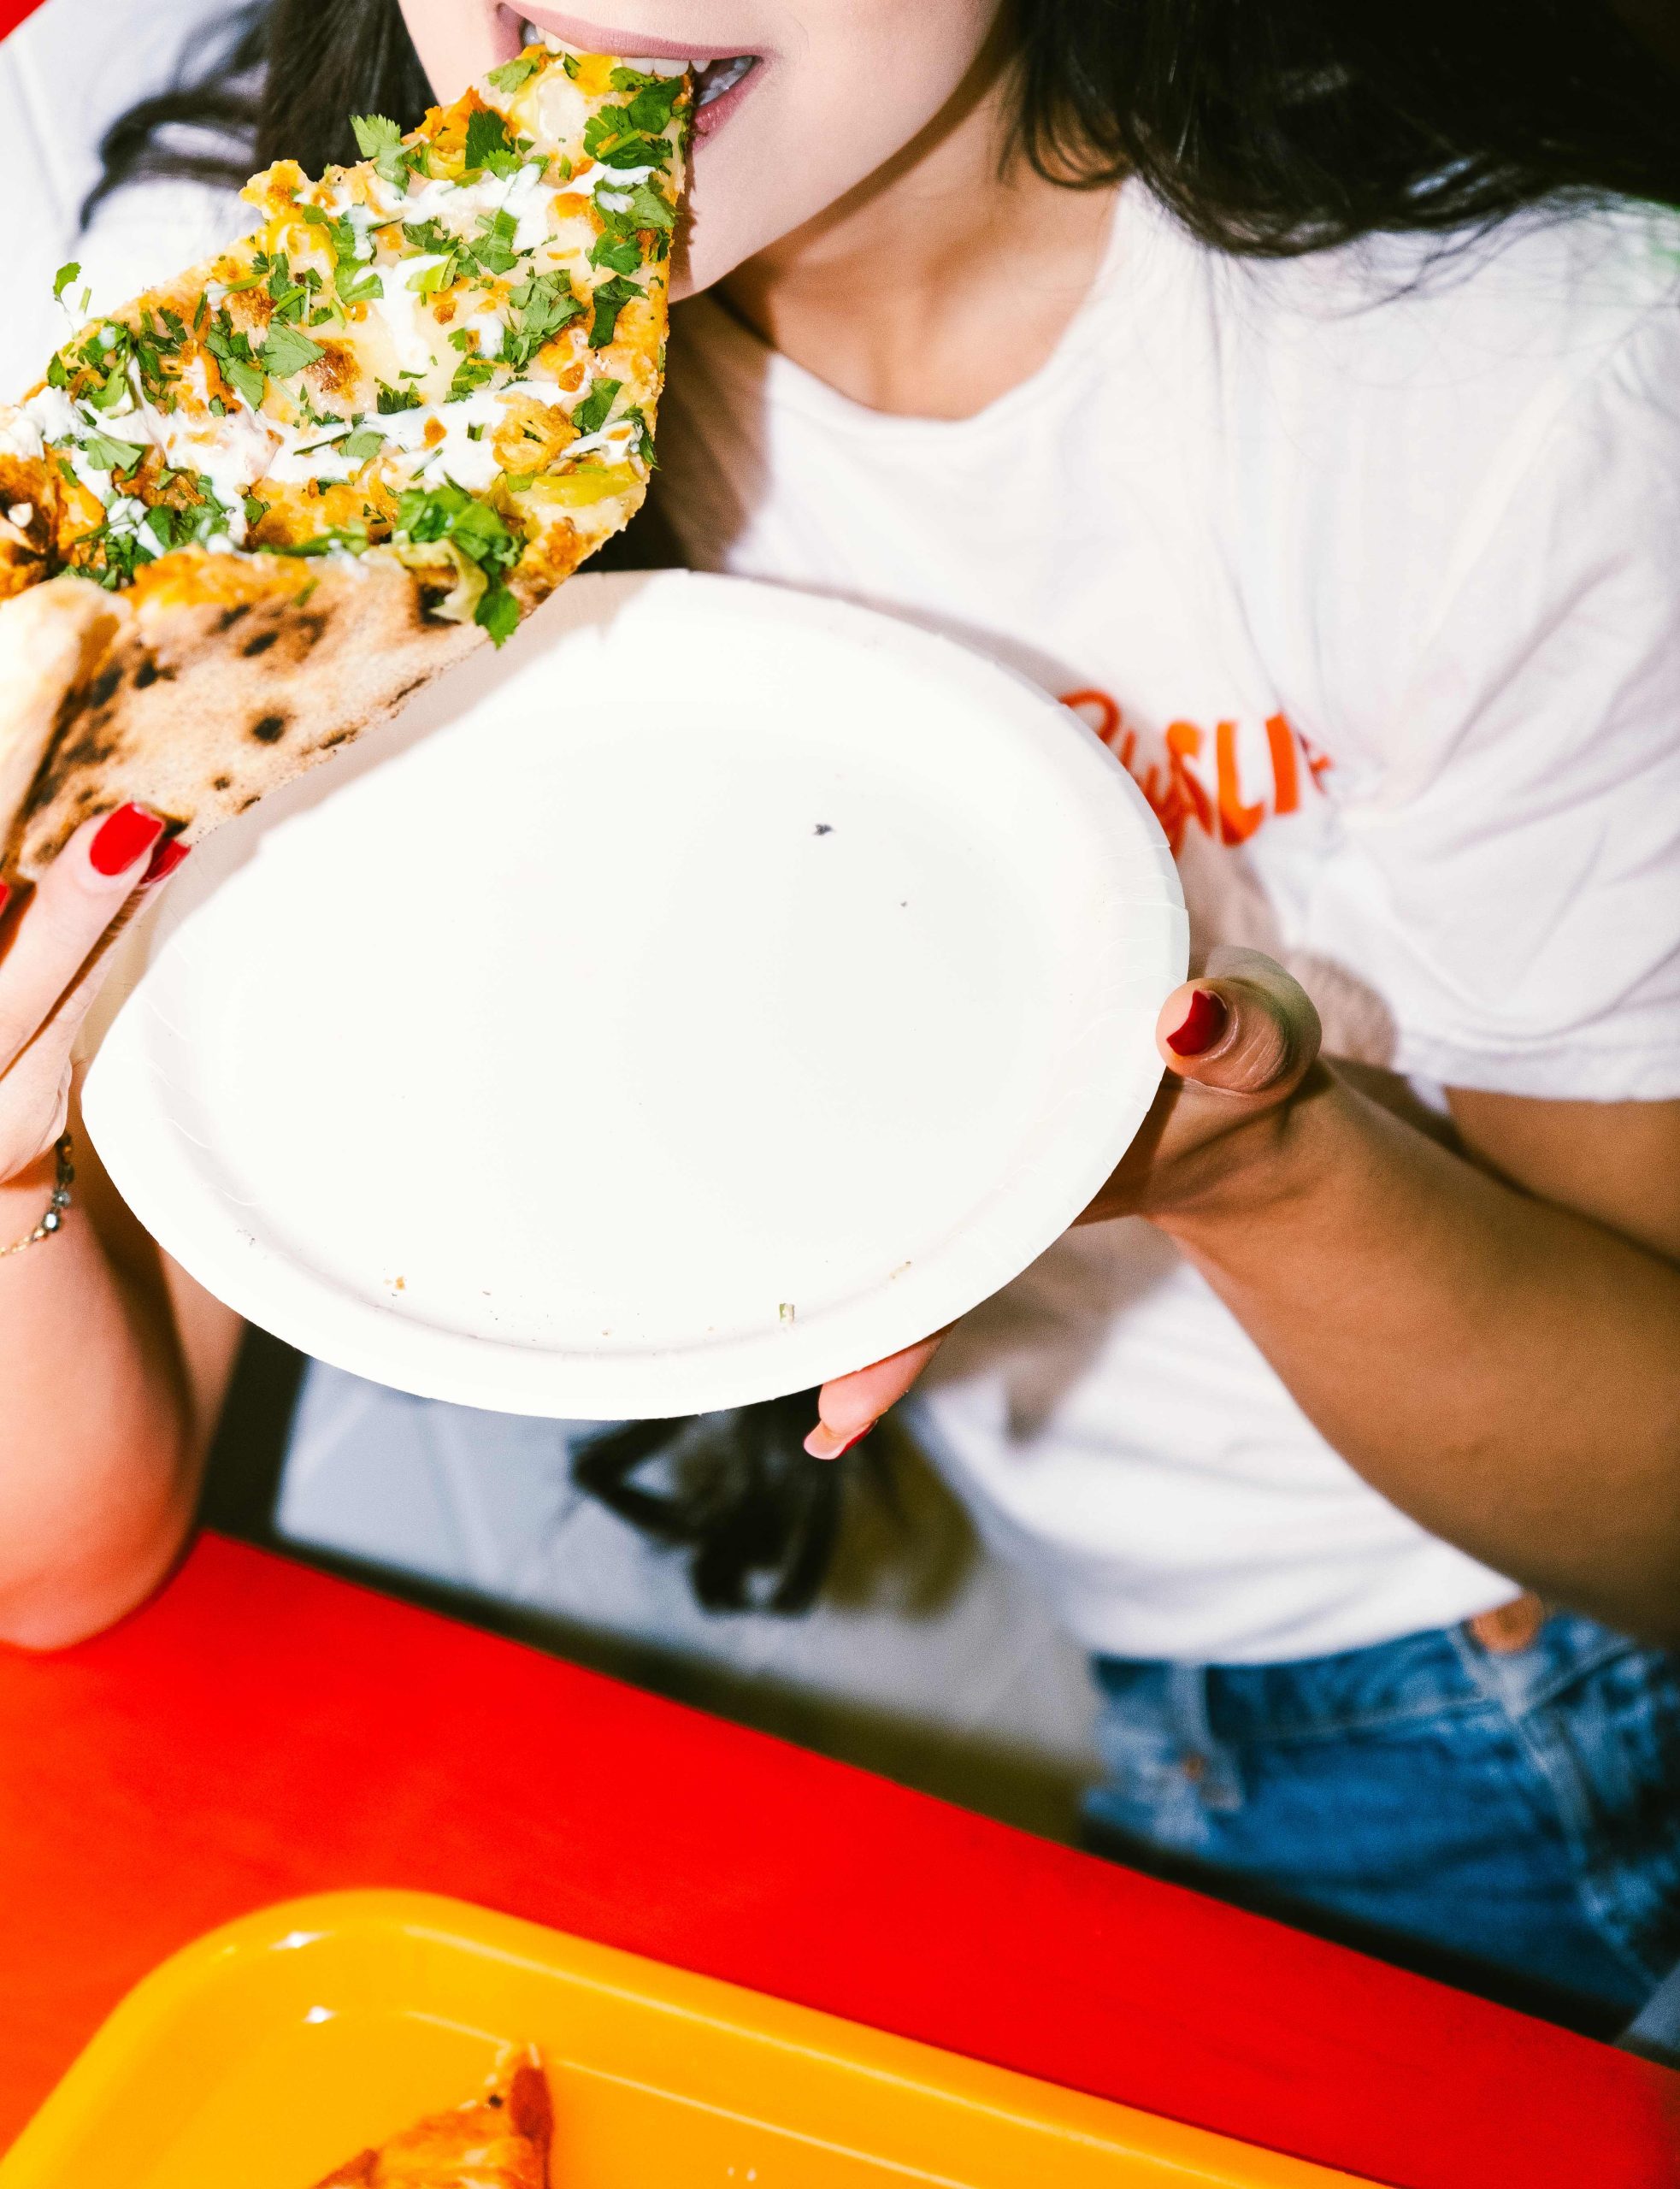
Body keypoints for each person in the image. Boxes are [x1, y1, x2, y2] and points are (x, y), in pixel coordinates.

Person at [2, 0, 1678, 2033]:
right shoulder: (316, 368)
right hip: (1150, 1671)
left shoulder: (1518, 386)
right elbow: (60, 1569)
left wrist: (1260, 1166)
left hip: (1519, 1694)